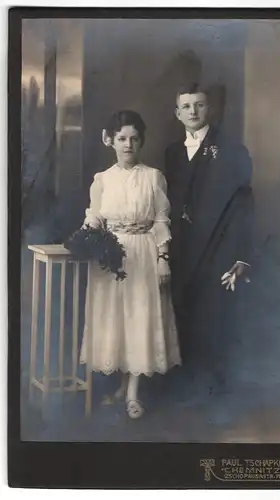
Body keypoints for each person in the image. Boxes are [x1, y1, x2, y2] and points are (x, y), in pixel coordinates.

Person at [79, 110, 181, 419]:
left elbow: (162, 220)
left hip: (144, 254)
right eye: (122, 138)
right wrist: (89, 229)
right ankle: (123, 386)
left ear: (141, 142)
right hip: (111, 257)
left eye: (134, 139)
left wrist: (163, 259)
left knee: (139, 317)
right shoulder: (102, 180)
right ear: (108, 140)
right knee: (117, 320)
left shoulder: (153, 177)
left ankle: (133, 393)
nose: (128, 145)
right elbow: (95, 216)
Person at [165, 83, 254, 393]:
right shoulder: (173, 153)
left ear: (209, 109)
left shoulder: (231, 150)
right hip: (182, 250)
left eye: (199, 105)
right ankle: (182, 387)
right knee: (181, 315)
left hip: (217, 249)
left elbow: (243, 205)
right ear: (178, 113)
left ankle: (212, 392)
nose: (193, 111)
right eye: (186, 106)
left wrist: (241, 256)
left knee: (212, 319)